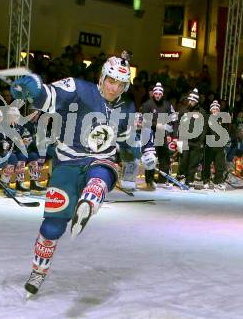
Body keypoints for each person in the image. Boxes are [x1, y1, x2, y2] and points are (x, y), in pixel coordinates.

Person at [11, 56, 155, 296]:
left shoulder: (127, 107)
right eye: (111, 81)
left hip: (101, 159)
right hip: (67, 163)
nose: (114, 88)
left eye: (120, 84)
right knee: (53, 226)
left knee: (102, 173)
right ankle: (39, 271)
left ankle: (91, 197)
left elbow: (127, 140)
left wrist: (141, 152)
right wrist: (33, 90)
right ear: (102, 77)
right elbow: (47, 97)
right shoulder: (78, 88)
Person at [139, 82, 178, 190]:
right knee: (150, 158)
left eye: (159, 94)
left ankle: (161, 180)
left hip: (162, 135)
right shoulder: (147, 105)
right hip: (149, 135)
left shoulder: (167, 105)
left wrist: (174, 136)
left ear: (162, 94)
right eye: (155, 93)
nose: (157, 95)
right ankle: (149, 181)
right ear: (153, 94)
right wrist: (157, 125)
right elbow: (143, 121)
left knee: (164, 158)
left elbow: (175, 120)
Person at [177, 88, 207, 188]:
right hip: (185, 141)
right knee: (183, 161)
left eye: (193, 101)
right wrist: (178, 138)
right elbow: (178, 125)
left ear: (197, 101)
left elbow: (204, 128)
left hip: (196, 142)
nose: (191, 102)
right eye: (190, 100)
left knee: (193, 163)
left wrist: (201, 142)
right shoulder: (183, 110)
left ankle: (189, 180)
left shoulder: (202, 112)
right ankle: (181, 178)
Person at [201, 100, 227, 190]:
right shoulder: (207, 119)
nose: (215, 110)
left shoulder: (222, 119)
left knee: (220, 164)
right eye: (213, 109)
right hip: (209, 145)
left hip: (219, 146)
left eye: (217, 109)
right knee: (206, 164)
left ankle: (218, 181)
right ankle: (206, 180)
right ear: (211, 110)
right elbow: (203, 132)